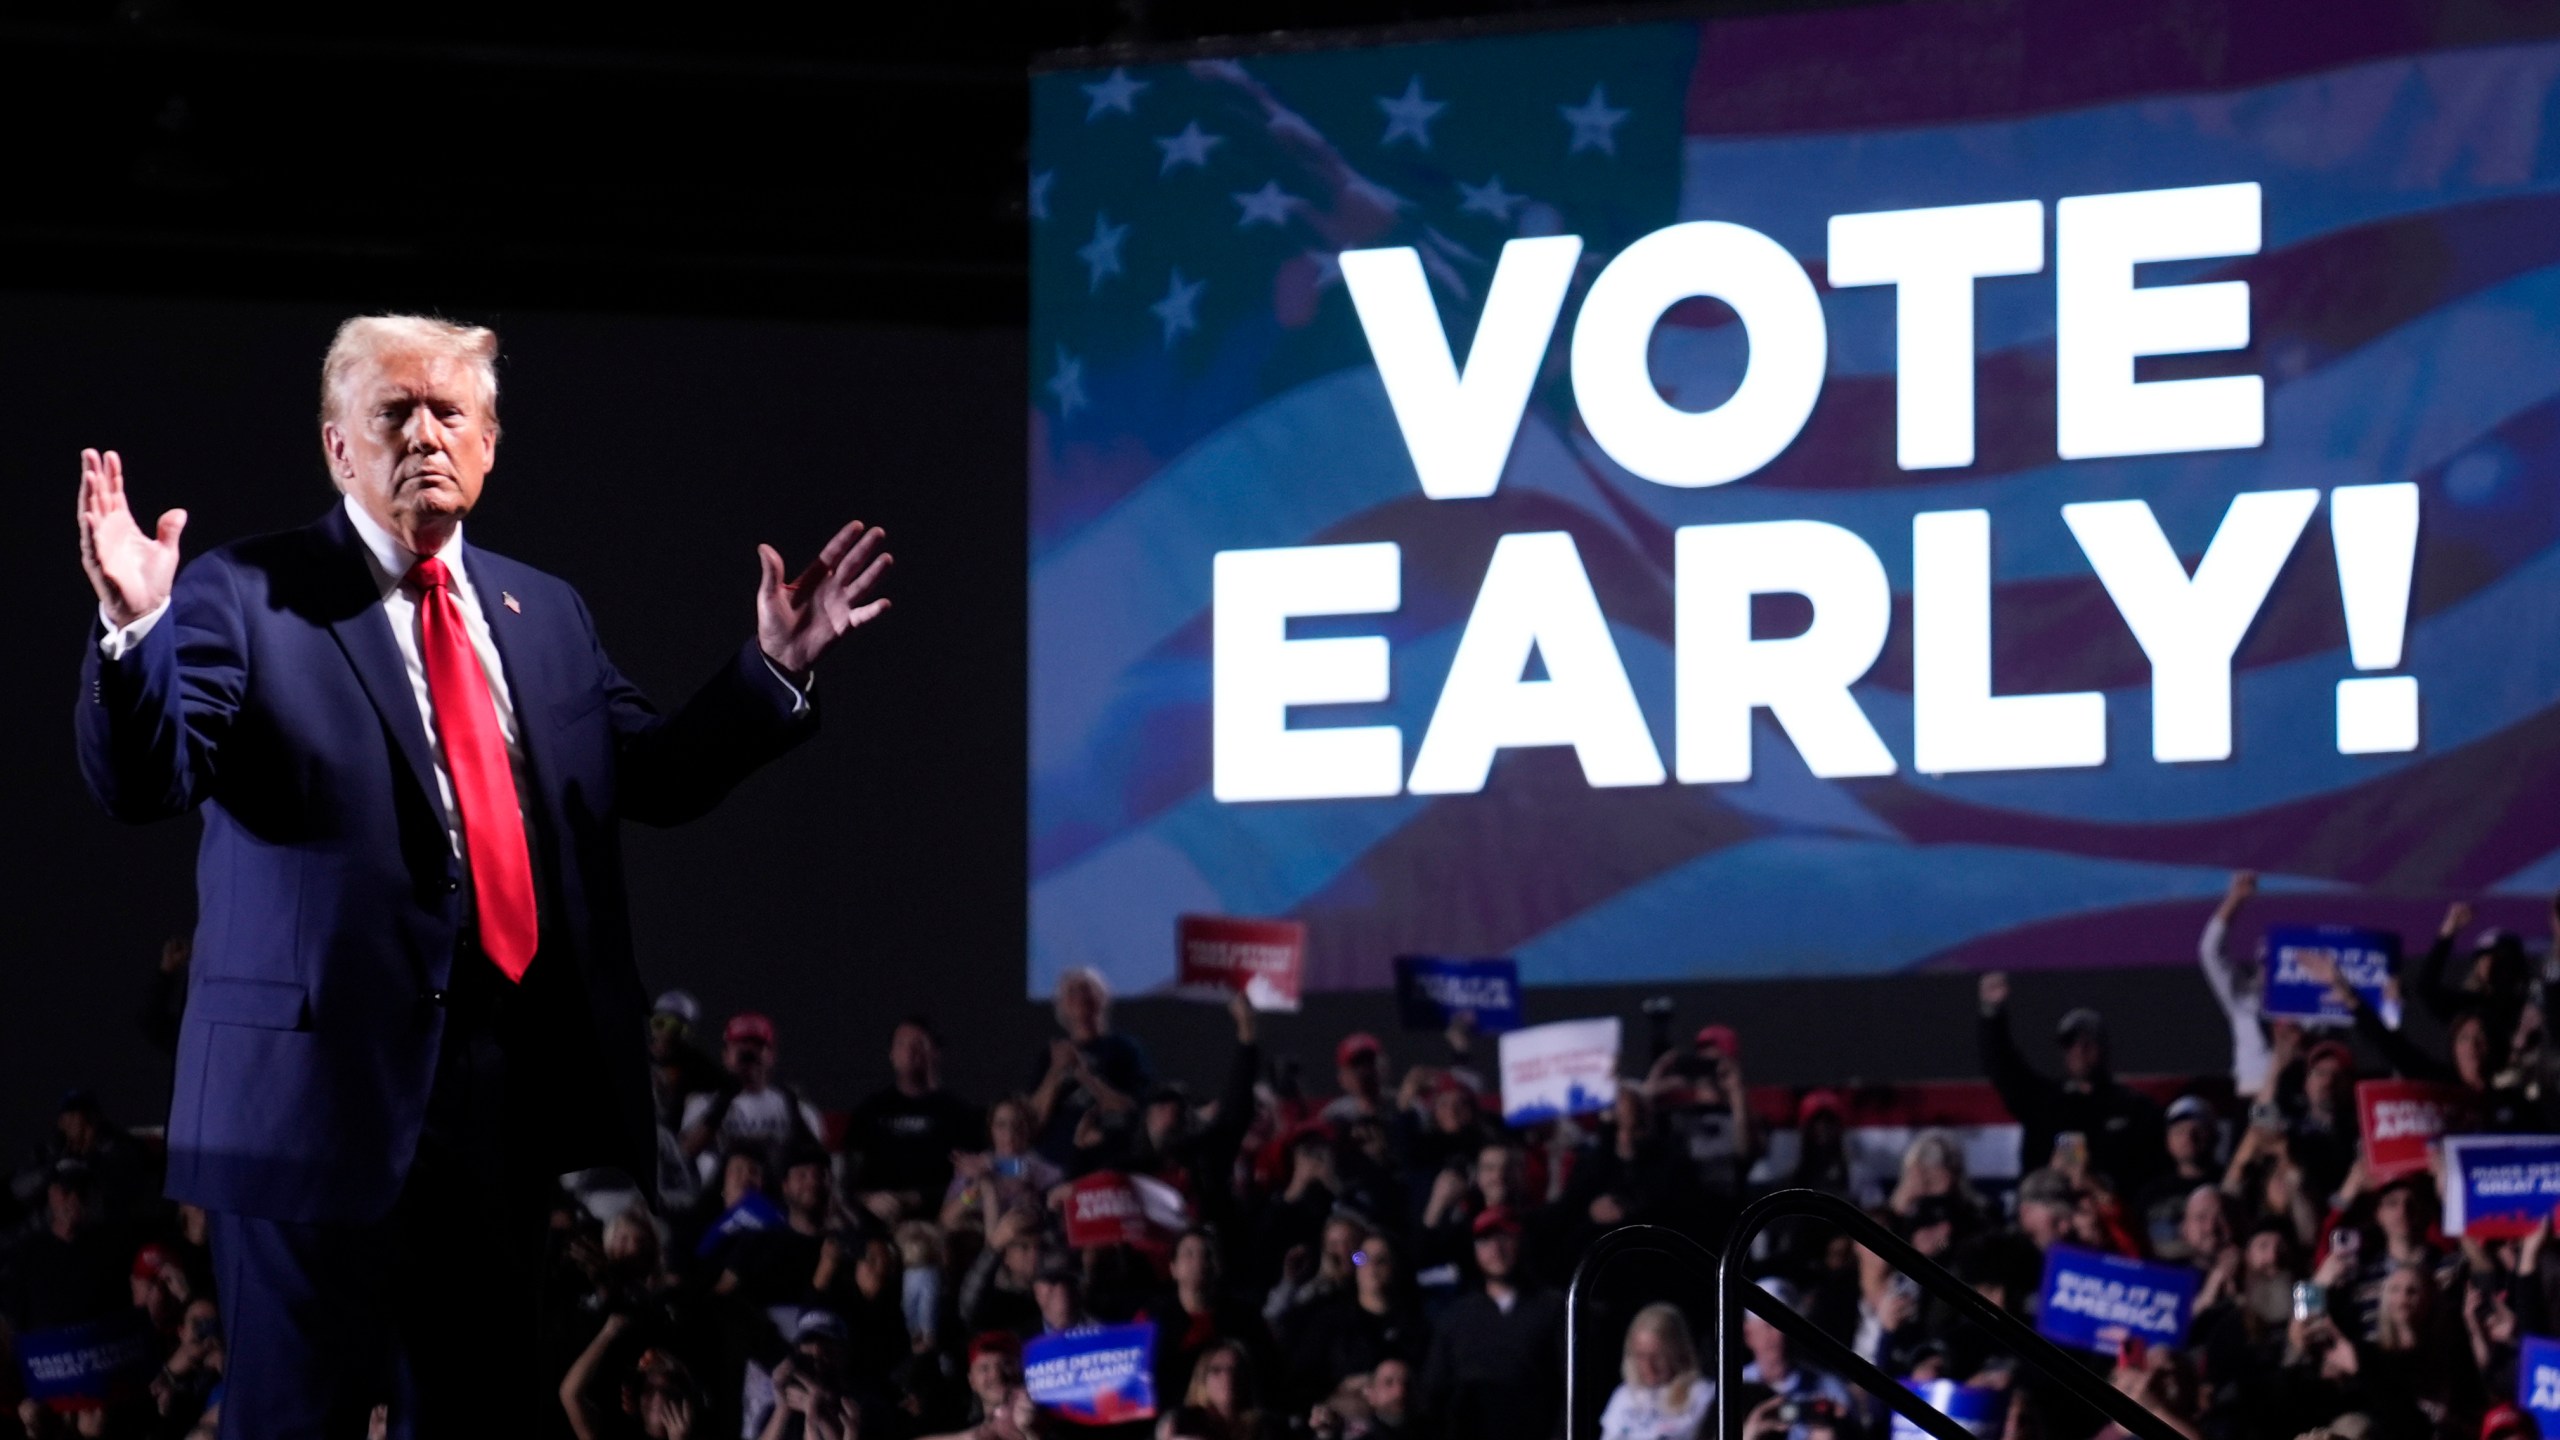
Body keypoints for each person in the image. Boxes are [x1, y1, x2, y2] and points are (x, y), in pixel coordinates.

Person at [72, 313, 894, 1435]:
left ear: (490, 442)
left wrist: (769, 675)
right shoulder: (242, 592)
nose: (424, 437)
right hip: (308, 1112)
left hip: (499, 1112)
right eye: (393, 414)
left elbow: (644, 777)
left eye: (448, 413)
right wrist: (132, 629)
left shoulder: (543, 610)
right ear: (337, 447)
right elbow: (145, 777)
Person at [1976, 972, 2170, 1194]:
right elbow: (2002, 1066)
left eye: (2088, 1041)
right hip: (2049, 1214)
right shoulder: (2043, 1102)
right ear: (2063, 1051)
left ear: (2104, 1048)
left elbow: (2154, 1173)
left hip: (2114, 1216)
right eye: (2071, 1043)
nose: (2080, 1050)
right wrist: (1992, 1014)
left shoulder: (2135, 1109)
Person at [1418, 1208, 1564, 1440]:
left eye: (1504, 1237)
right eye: (1485, 1241)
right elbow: (1433, 1392)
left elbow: (1571, 1390)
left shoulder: (1554, 1309)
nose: (1495, 1249)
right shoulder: (1456, 1317)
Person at [847, 1018, 986, 1213]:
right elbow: (847, 1180)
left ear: (935, 1053)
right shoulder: (870, 1111)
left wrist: (922, 1200)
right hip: (878, 1214)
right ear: (892, 1054)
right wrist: (867, 1199)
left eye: (919, 1044)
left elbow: (976, 1183)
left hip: (943, 1216)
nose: (910, 1052)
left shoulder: (961, 1115)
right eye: (902, 1044)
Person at [680, 1013, 829, 1186]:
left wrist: (794, 1110)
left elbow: (820, 1160)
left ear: (772, 1055)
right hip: (718, 1198)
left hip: (778, 1197)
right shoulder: (704, 1103)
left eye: (758, 1046)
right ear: (726, 1055)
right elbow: (685, 1153)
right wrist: (724, 1100)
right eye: (740, 1047)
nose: (749, 1054)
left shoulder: (794, 1105)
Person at [1030, 968, 1155, 1165]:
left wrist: (1085, 1076)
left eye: (1086, 989)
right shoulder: (1051, 1055)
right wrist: (1056, 1071)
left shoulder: (1126, 1049)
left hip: (1109, 1163)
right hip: (1054, 1167)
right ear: (1061, 1005)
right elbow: (1031, 1121)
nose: (1080, 996)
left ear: (1103, 998)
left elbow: (1134, 1110)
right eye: (1072, 991)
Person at [1596, 1303, 1709, 1440]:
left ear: (1678, 1351)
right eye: (1641, 1355)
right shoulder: (1624, 1395)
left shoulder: (1702, 1395)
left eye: (1657, 1356)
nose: (1648, 1366)